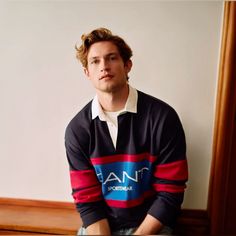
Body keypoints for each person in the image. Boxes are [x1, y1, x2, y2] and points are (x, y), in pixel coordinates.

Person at [65, 28, 188, 235]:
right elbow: (87, 200)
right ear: (87, 72)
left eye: (111, 58)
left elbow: (170, 192)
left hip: (151, 227)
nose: (104, 66)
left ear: (127, 65)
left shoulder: (162, 118)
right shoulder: (77, 130)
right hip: (102, 227)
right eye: (95, 61)